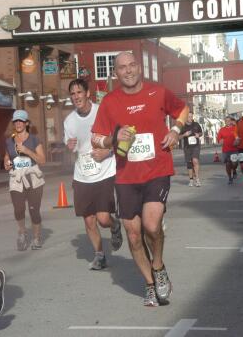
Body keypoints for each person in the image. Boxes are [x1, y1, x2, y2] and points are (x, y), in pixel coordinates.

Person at [91, 51, 189, 306]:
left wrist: (176, 130)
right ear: (116, 73)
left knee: (152, 226)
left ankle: (158, 266)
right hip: (125, 176)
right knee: (133, 234)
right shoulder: (110, 102)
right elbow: (96, 138)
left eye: (132, 65)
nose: (128, 70)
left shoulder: (158, 92)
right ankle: (149, 284)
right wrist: (113, 139)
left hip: (157, 170)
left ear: (139, 68)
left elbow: (182, 109)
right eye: (122, 67)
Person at [64, 79, 122, 271]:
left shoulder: (102, 111)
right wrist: (69, 147)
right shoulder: (69, 121)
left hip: (104, 170)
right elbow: (71, 147)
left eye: (79, 92)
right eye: (72, 94)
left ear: (87, 93)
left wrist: (107, 152)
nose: (76, 97)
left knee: (103, 219)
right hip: (82, 175)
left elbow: (118, 137)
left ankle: (114, 226)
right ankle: (100, 256)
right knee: (89, 220)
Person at [4, 110, 45, 251]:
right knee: (19, 209)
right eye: (16, 121)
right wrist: (7, 162)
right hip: (17, 179)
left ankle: (37, 237)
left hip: (33, 178)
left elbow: (42, 160)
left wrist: (27, 151)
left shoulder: (34, 139)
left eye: (21, 121)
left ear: (27, 123)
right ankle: (22, 233)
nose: (18, 123)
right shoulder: (9, 140)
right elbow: (7, 156)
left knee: (34, 211)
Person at [179, 112, 203, 187]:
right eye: (189, 116)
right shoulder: (182, 126)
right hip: (187, 147)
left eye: (191, 116)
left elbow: (201, 133)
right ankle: (191, 180)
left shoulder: (196, 124)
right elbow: (178, 137)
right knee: (189, 163)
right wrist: (184, 135)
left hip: (196, 146)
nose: (190, 118)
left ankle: (197, 179)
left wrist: (198, 135)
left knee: (195, 160)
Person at [217, 116, 238, 184]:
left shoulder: (235, 129)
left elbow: (239, 137)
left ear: (231, 121)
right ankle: (230, 178)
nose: (228, 122)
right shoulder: (222, 130)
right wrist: (220, 141)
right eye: (226, 121)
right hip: (226, 150)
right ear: (225, 121)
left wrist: (237, 141)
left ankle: (234, 170)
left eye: (229, 121)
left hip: (234, 149)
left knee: (235, 163)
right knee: (228, 164)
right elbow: (219, 139)